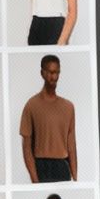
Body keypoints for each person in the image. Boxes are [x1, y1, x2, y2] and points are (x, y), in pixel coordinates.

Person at [19, 54, 78, 183]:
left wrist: (75, 178)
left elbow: (71, 144)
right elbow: (26, 147)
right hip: (41, 167)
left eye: (57, 72)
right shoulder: (31, 105)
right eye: (51, 72)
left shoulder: (68, 107)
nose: (54, 77)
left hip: (63, 167)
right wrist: (34, 179)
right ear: (42, 73)